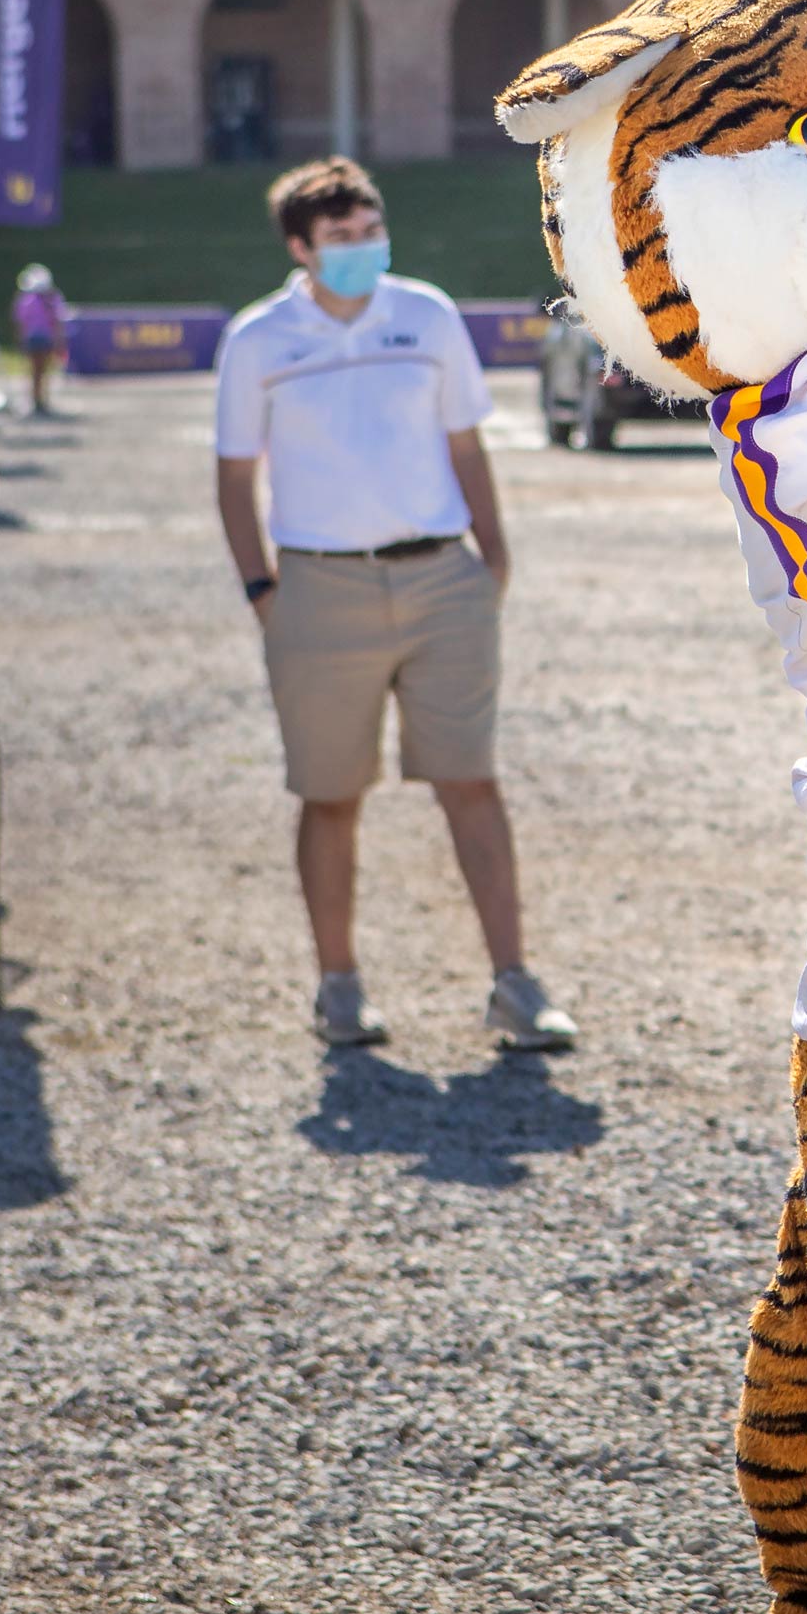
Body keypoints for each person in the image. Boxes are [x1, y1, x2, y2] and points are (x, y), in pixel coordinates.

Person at [210, 157, 575, 1053]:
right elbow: (231, 476)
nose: (363, 249)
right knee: (331, 796)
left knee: (473, 783)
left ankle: (515, 986)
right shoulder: (258, 339)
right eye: (340, 239)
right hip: (316, 589)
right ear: (300, 248)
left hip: (442, 579)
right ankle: (339, 988)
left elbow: (467, 443)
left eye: (371, 231)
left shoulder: (428, 314)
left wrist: (492, 559)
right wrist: (263, 590)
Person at [10, 263, 68, 415]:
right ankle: (41, 400)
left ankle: (37, 400)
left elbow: (20, 322)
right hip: (46, 339)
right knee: (44, 371)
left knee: (35, 371)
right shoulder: (53, 299)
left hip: (33, 339)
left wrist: (20, 339)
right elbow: (58, 322)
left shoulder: (26, 300)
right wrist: (59, 340)